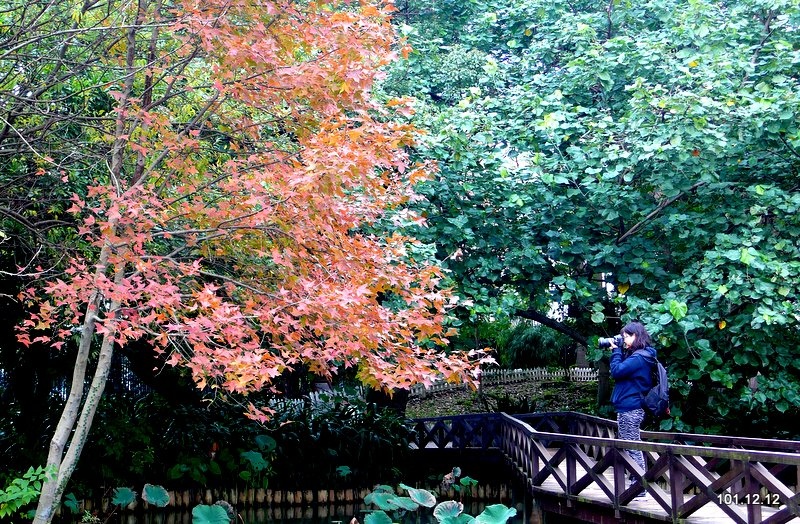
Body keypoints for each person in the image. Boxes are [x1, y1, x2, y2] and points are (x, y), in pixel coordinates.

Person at [609, 321, 657, 497]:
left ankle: (639, 486)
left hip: (631, 407)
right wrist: (619, 351)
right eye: (623, 337)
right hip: (630, 406)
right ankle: (636, 482)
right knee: (631, 444)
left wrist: (615, 351)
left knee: (631, 445)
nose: (625, 340)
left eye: (627, 336)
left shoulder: (639, 358)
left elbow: (616, 371)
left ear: (637, 336)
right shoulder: (640, 356)